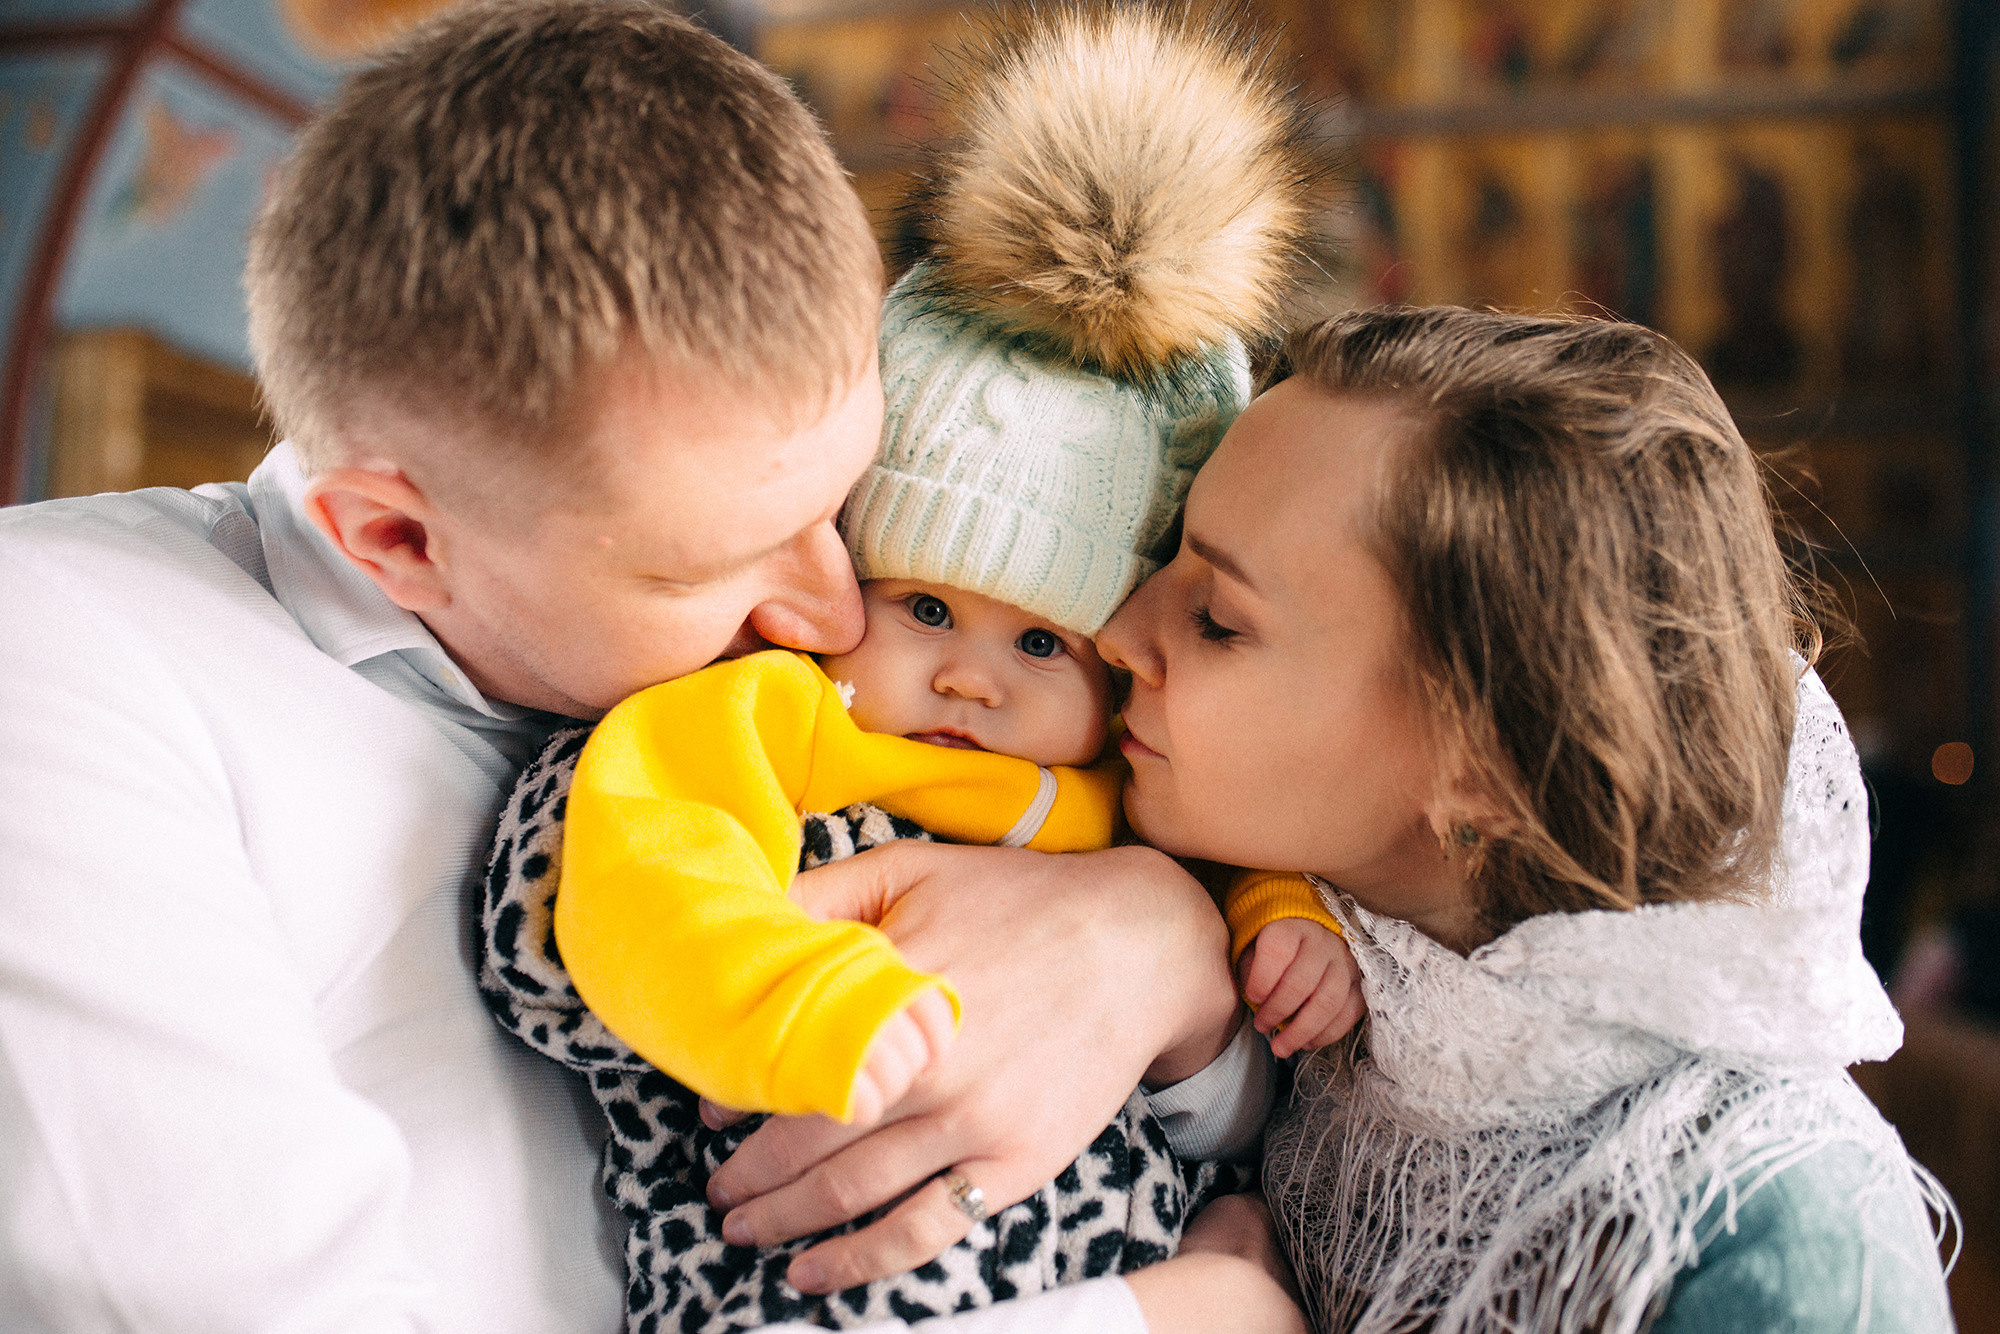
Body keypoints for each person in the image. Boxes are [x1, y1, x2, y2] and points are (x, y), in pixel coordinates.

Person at [0, 3, 1298, 1330]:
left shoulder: (821, 693)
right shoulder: (52, 661)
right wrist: (1171, 1321)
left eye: (846, 506)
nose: (832, 607)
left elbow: (1239, 1093)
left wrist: (1165, 944)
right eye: (705, 567)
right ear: (394, 536)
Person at [478, 11, 1349, 1328]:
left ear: (1116, 661)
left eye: (1043, 641)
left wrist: (1282, 935)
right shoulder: (776, 718)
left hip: (1101, 1249)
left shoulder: (1141, 797)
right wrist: (788, 995)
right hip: (796, 1262)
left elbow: (1231, 1084)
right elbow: (632, 863)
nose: (970, 680)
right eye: (926, 604)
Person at [1093, 305, 1958, 1332]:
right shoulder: (1318, 965)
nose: (1115, 631)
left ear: (1484, 766)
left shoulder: (1763, 1228)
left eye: (1216, 621)